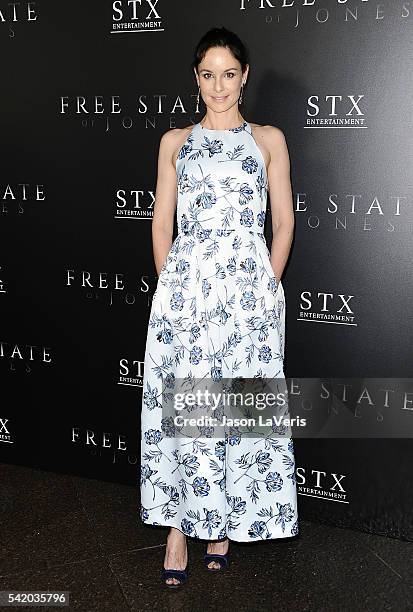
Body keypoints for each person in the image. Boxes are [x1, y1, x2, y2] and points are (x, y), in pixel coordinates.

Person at [140, 26, 299, 588]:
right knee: (184, 412)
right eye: (207, 75)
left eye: (228, 74)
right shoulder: (175, 142)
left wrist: (265, 289)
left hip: (246, 299)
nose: (218, 85)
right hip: (187, 298)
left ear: (245, 76)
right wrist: (171, 291)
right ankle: (179, 527)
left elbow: (283, 224)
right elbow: (163, 222)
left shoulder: (268, 141)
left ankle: (221, 520)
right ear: (196, 79)